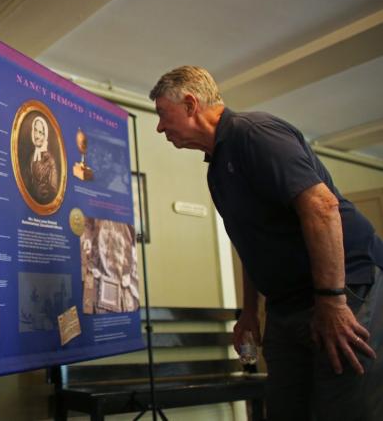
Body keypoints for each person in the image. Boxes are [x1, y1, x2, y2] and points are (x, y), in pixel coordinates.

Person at [150, 65, 382, 420]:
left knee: (342, 407)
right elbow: (250, 243)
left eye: (163, 115)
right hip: (287, 305)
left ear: (191, 103)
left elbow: (322, 207)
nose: (160, 127)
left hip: (345, 286)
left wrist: (333, 301)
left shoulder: (253, 133)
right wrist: (247, 311)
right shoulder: (216, 170)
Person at [28, 116, 58, 204]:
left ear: (45, 136)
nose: (36, 135)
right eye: (35, 130)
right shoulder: (32, 158)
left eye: (40, 132)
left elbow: (54, 188)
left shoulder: (50, 160)